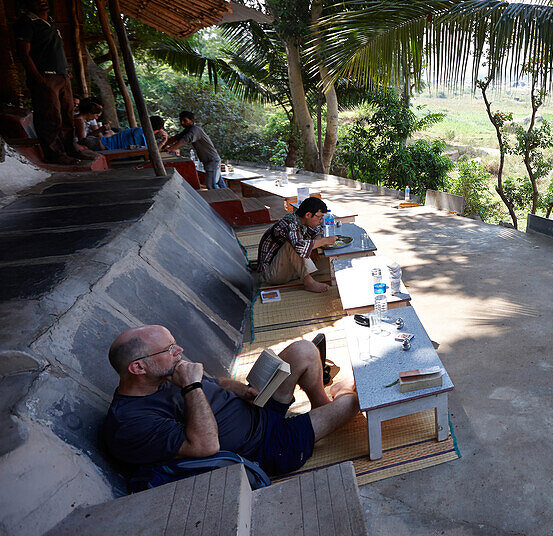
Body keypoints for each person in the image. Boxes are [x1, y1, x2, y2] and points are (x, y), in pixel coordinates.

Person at [101, 325, 359, 482]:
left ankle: (321, 405)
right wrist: (191, 386)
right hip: (265, 447)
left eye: (174, 343)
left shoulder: (163, 373)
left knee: (304, 349)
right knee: (356, 398)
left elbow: (219, 383)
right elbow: (205, 446)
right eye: (168, 349)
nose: (178, 351)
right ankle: (335, 399)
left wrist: (239, 389)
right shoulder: (130, 422)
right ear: (138, 367)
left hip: (256, 409)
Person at [11, 0, 89, 165]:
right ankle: (54, 153)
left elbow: (56, 50)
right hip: (45, 77)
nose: (41, 2)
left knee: (67, 114)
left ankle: (70, 149)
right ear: (26, 5)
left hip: (62, 76)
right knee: (50, 115)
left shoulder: (51, 22)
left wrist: (66, 71)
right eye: (35, 0)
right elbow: (24, 53)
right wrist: (38, 78)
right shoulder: (26, 23)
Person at [256, 196, 337, 293]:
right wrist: (324, 241)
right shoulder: (289, 223)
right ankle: (308, 283)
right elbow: (299, 247)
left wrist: (315, 245)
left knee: (329, 265)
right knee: (296, 245)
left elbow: (318, 230)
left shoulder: (303, 221)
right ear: (307, 215)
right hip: (271, 274)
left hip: (287, 268)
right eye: (319, 217)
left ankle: (304, 274)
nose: (320, 221)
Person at [163, 110, 224, 189]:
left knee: (211, 185)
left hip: (212, 160)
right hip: (210, 160)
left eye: (185, 120)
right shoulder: (187, 130)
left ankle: (219, 200)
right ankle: (229, 199)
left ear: (191, 120)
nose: (182, 123)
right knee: (220, 185)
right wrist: (163, 145)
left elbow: (183, 141)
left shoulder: (195, 130)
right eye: (181, 120)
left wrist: (169, 149)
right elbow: (175, 138)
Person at [95, 115, 169, 152]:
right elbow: (151, 153)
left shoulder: (139, 130)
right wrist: (163, 141)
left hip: (97, 143)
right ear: (159, 129)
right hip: (97, 145)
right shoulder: (142, 137)